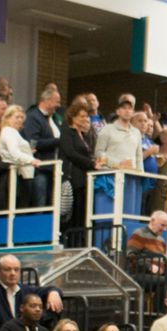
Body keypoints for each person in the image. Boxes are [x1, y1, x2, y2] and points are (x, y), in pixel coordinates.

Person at [59, 99, 99, 240]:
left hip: (84, 179)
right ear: (73, 117)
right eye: (81, 116)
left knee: (82, 212)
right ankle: (70, 241)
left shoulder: (84, 135)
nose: (85, 119)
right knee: (73, 213)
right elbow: (70, 153)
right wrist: (91, 164)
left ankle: (80, 241)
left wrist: (95, 162)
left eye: (86, 116)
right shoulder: (67, 131)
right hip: (73, 178)